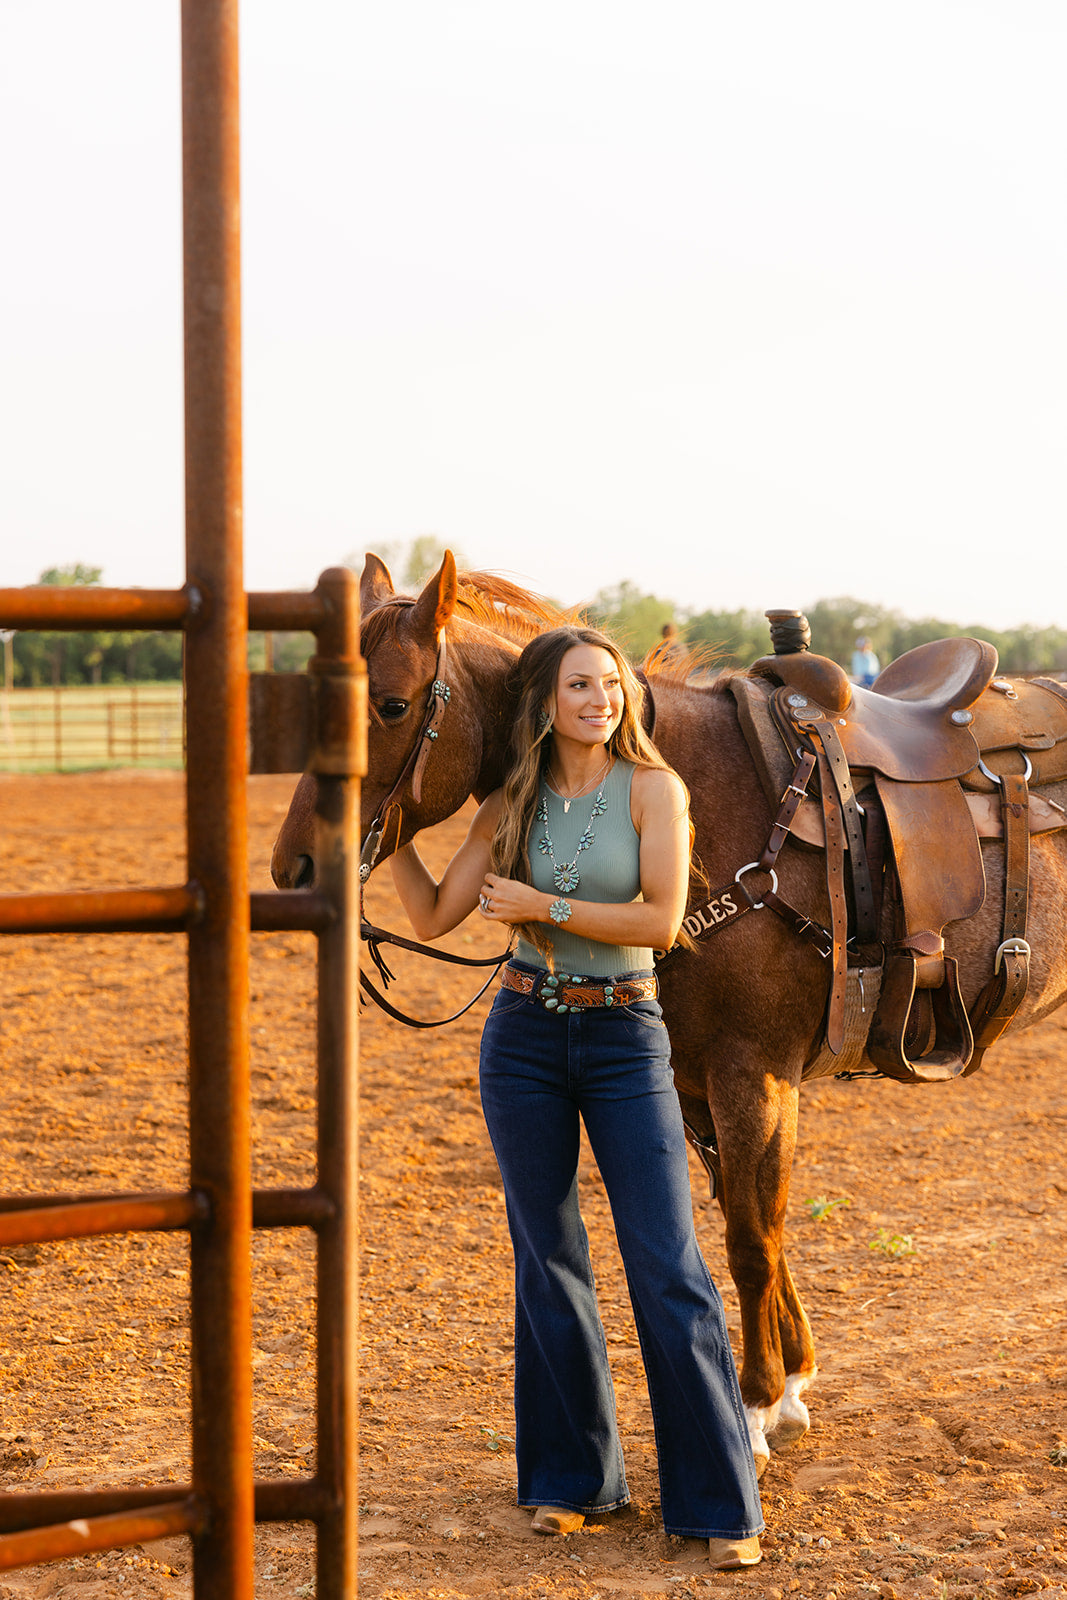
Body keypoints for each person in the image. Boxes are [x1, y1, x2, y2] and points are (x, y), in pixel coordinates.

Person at [388, 624, 764, 1571]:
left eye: (610, 684)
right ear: (546, 703)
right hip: (521, 1036)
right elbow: (431, 914)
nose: (601, 700)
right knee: (546, 1258)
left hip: (623, 1034)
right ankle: (571, 1481)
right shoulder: (509, 800)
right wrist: (384, 827)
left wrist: (540, 907)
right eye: (580, 686)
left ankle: (719, 1503)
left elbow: (660, 920)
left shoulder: (652, 789)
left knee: (666, 1263)